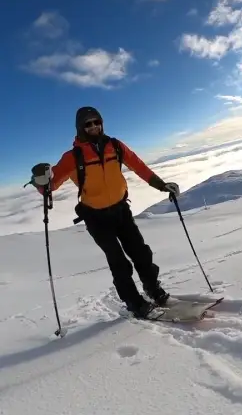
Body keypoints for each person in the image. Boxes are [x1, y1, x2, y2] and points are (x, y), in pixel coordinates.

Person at [31, 106, 180, 318]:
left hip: (121, 210)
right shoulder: (72, 157)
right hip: (95, 217)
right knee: (118, 261)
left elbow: (139, 166)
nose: (93, 126)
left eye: (96, 122)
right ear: (80, 128)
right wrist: (40, 180)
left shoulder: (115, 146)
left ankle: (153, 289)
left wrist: (161, 185)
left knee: (141, 252)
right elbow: (51, 185)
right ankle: (134, 303)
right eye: (87, 124)